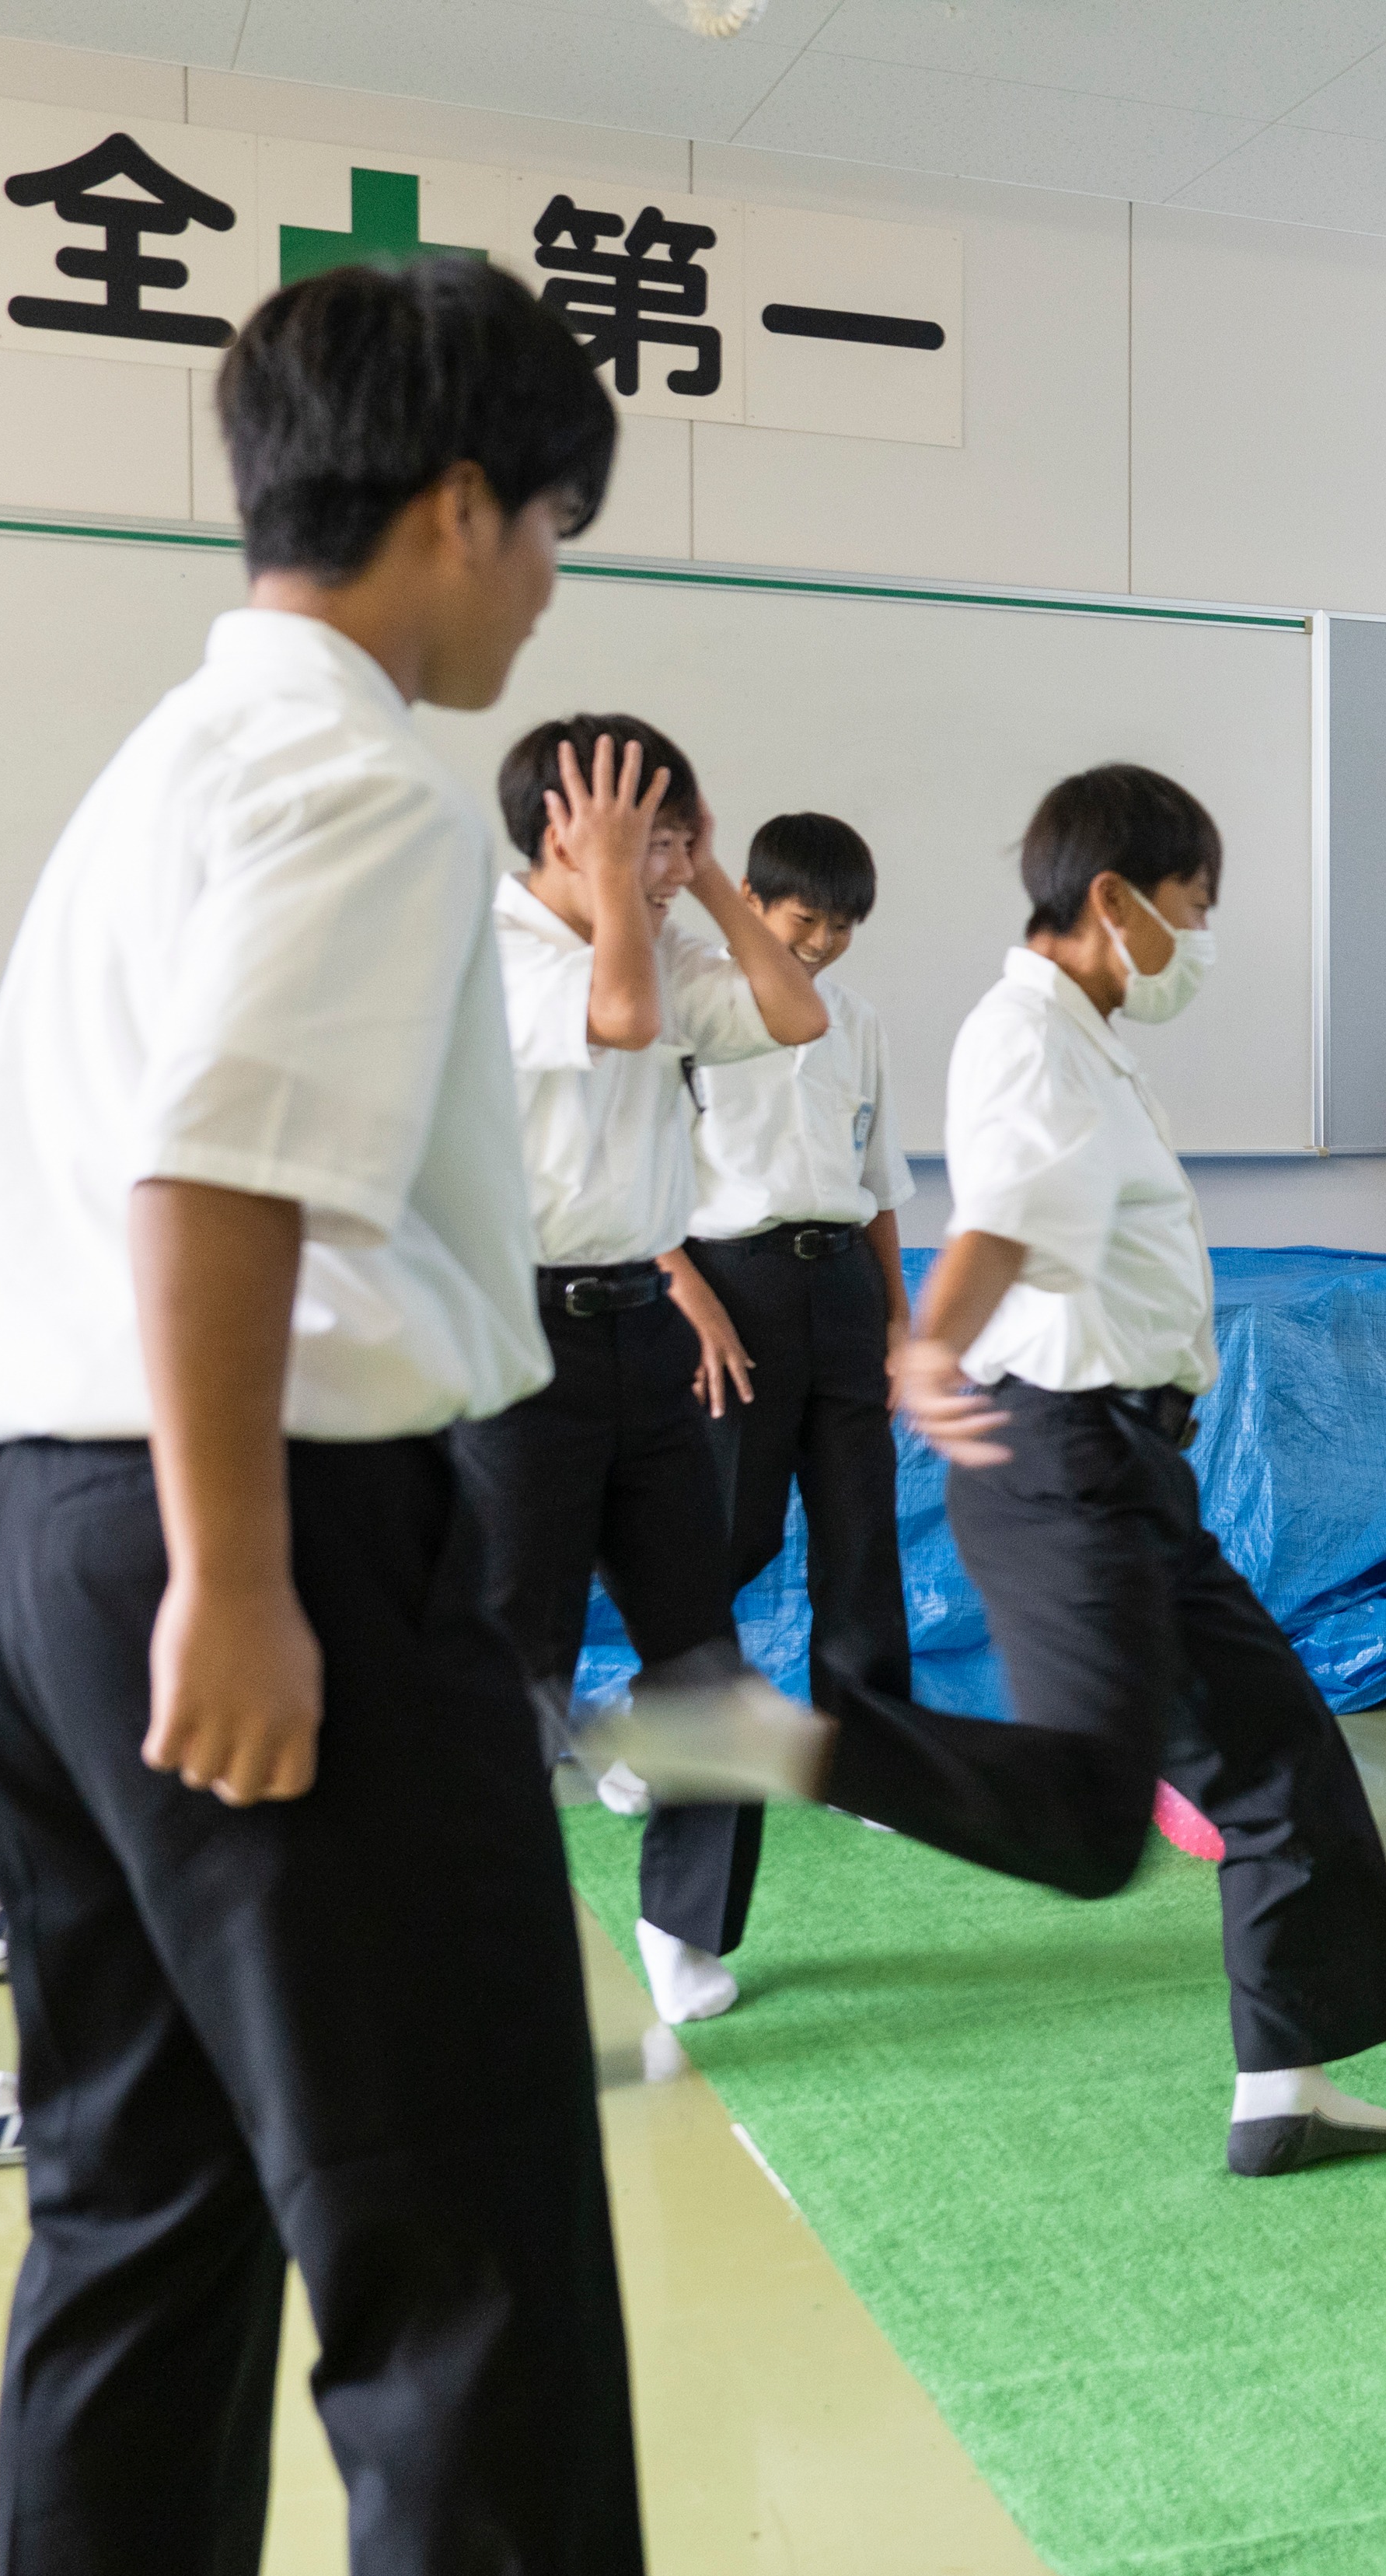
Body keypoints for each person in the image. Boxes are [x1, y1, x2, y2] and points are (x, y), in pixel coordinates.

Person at [0, 255, 647, 2576]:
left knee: (141, 2214)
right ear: (455, 508)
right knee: (466, 2257)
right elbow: (218, 1177)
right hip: (253, 1529)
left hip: (30, 1534)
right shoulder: (359, 776)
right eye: (549, 530)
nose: (545, 593)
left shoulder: (170, 758)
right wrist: (240, 1579)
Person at [894, 764, 1386, 2179]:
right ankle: (786, 1738)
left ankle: (1289, 2088)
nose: (1201, 943)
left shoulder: (1085, 1035)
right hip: (1062, 1454)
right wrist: (924, 1349)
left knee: (1280, 1754)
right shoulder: (1023, 1035)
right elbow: (1004, 1220)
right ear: (1113, 899)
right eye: (1193, 909)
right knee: (1085, 1821)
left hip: (1129, 1464)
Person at [451, 711, 831, 2029]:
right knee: (515, 1662)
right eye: (653, 831)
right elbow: (615, 1014)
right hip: (515, 1336)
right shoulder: (489, 946)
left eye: (682, 831)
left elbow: (796, 1009)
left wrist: (709, 878)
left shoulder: (666, 930)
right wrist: (626, 882)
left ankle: (685, 1927)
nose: (672, 858)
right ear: (568, 830)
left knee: (702, 1652)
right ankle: (472, 1948)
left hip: (646, 1333)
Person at [660, 813, 921, 1770]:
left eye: (842, 926)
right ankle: (673, 1726)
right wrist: (695, 1302)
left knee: (860, 1536)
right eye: (803, 920)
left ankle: (870, 1755)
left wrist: (897, 1320)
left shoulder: (857, 1024)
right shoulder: (690, 1010)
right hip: (731, 1291)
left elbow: (881, 1184)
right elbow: (642, 1186)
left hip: (843, 1285)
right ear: (752, 905)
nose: (820, 944)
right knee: (731, 1527)